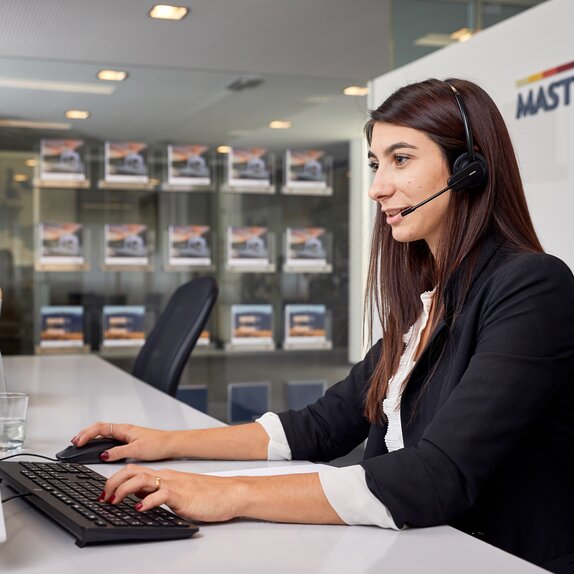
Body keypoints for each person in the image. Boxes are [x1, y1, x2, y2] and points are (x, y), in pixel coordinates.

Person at [72, 78, 574, 573]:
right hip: (418, 551)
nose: (378, 187)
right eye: (377, 164)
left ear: (469, 170)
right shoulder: (430, 303)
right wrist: (165, 443)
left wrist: (228, 493)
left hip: (499, 559)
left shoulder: (531, 287)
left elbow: (435, 476)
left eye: (401, 159)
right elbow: (318, 427)